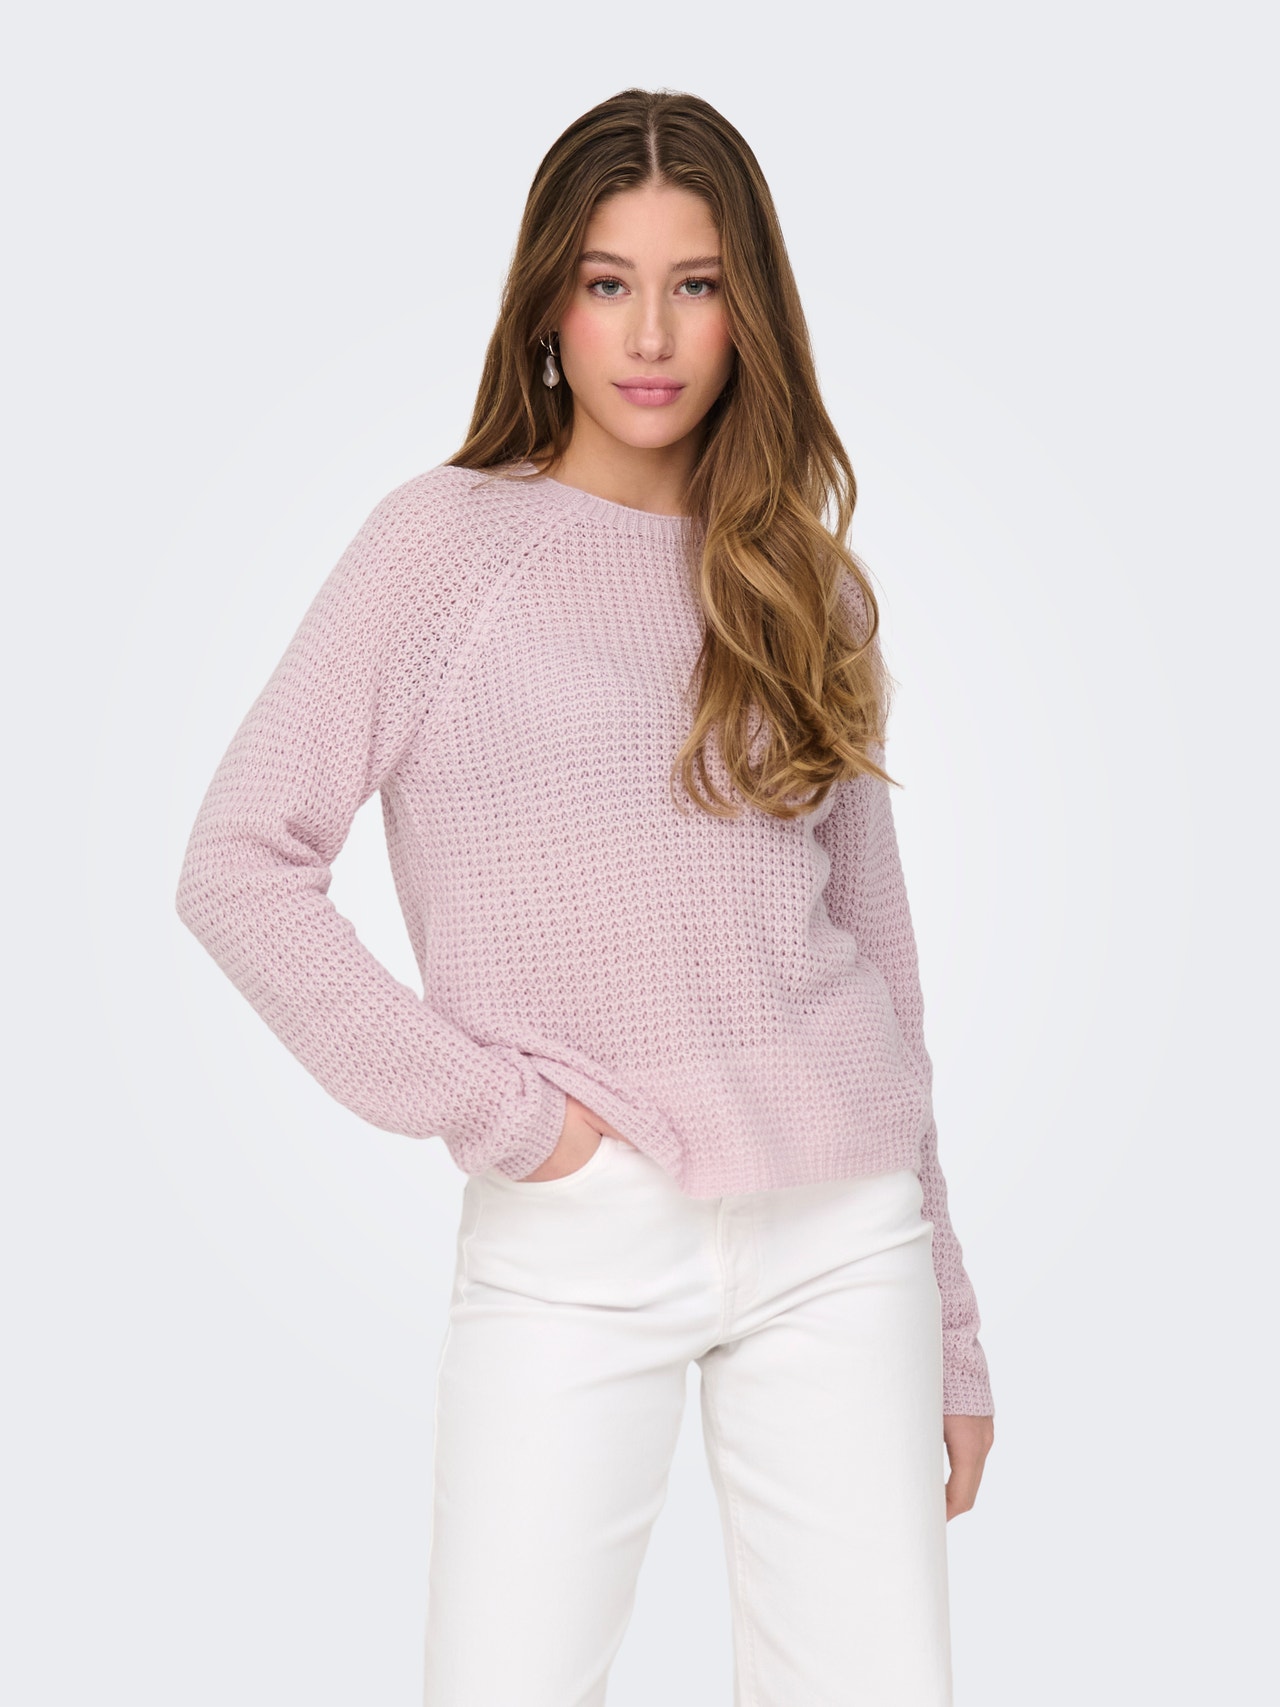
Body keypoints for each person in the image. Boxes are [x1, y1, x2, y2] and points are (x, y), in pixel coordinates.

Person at [175, 85, 995, 1707]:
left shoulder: (804, 586)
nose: (653, 334)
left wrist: (951, 1322)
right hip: (578, 1228)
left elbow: (882, 968)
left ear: (752, 312)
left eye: (697, 284)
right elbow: (238, 866)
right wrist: (507, 1120)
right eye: (610, 281)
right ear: (549, 302)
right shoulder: (441, 547)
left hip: (844, 1231)